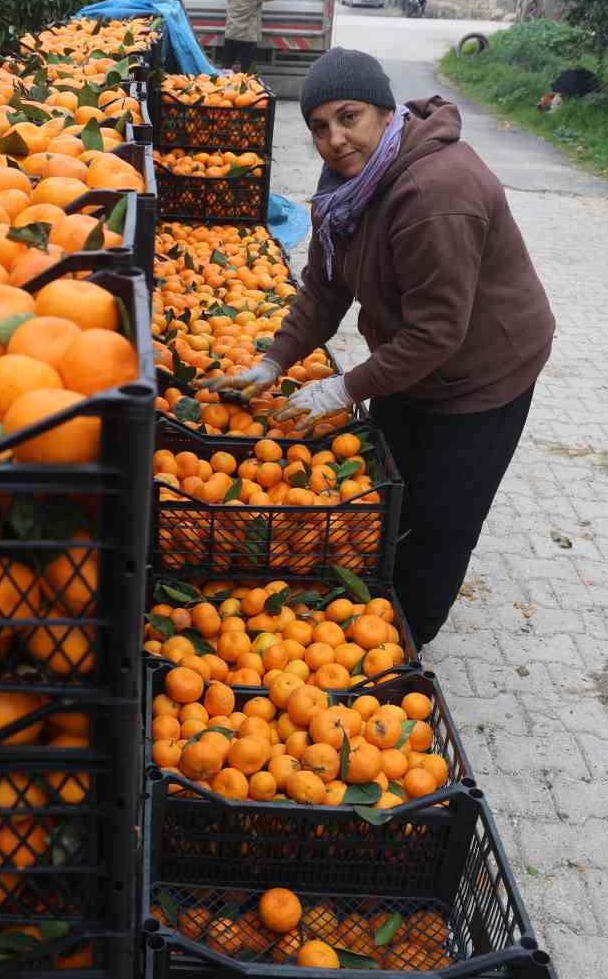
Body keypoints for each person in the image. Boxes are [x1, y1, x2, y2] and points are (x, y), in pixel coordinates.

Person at [200, 47, 556, 650]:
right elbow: (325, 287)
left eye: (349, 117)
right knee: (387, 490)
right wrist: (272, 361)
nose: (334, 139)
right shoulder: (348, 186)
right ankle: (374, 604)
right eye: (319, 126)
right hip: (415, 358)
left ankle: (401, 647)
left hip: (484, 372)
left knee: (442, 517)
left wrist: (343, 388)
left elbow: (437, 332)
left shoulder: (436, 194)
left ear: (386, 113)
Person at [221, 0, 276, 72]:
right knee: (246, 70)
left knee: (226, 67)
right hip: (248, 35)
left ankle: (224, 82)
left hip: (231, 32)